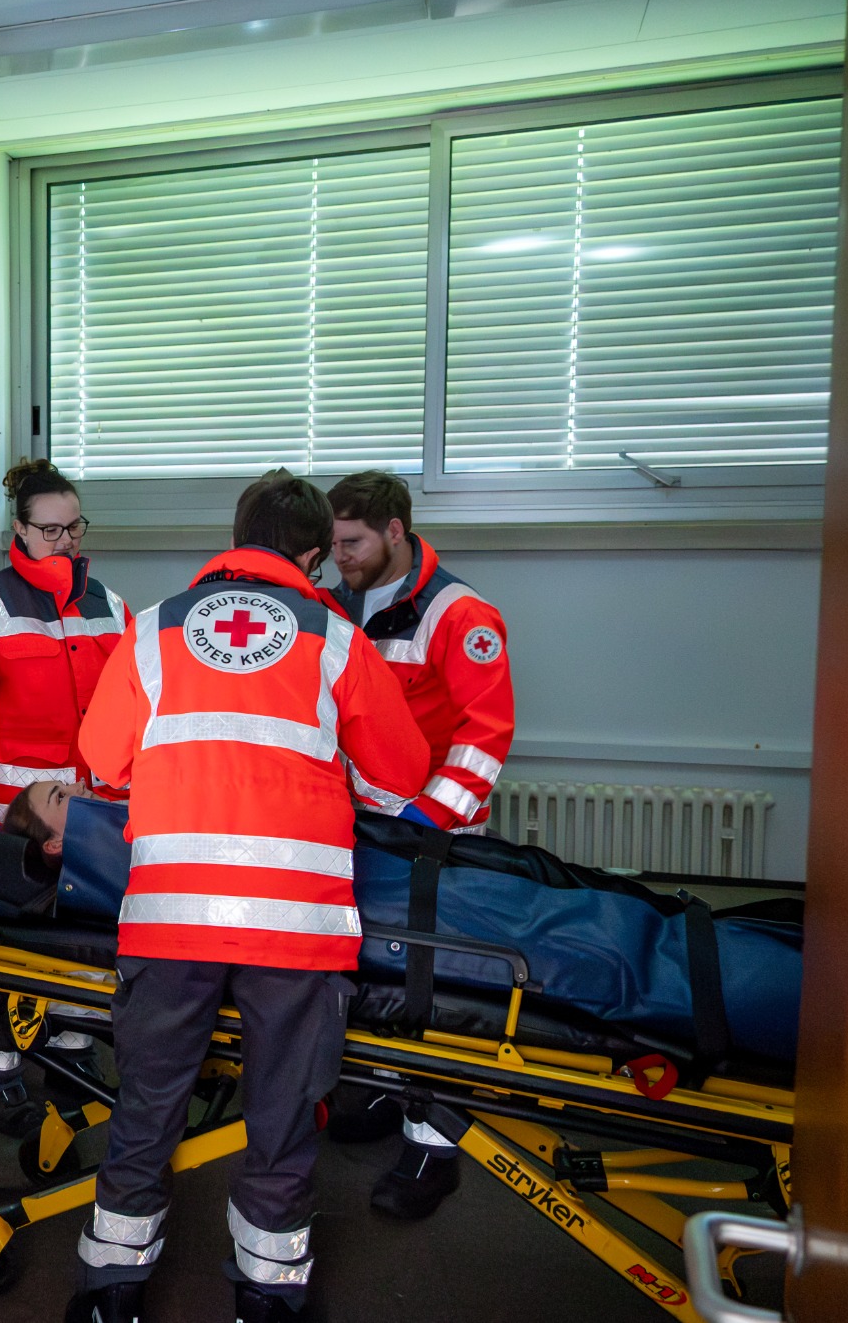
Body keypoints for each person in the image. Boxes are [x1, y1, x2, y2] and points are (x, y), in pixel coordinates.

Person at [65, 472, 429, 1323]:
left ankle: (112, 1286)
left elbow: (101, 762)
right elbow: (400, 777)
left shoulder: (152, 628)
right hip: (297, 930)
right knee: (283, 1113)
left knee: (146, 1101)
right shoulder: (337, 639)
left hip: (170, 919)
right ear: (313, 553)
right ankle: (269, 1291)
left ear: (234, 539)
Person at [324, 471, 517, 1218]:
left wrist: (428, 820)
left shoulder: (459, 614)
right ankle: (381, 1090)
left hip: (436, 838)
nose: (339, 556)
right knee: (371, 973)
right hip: (363, 831)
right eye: (333, 543)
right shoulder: (335, 605)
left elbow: (485, 735)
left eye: (352, 542)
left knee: (435, 991)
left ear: (396, 532)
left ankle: (432, 1146)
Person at [0, 459, 129, 1136]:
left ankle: (71, 1055)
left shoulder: (112, 606)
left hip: (88, 815)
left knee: (82, 944)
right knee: (3, 952)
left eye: (74, 527)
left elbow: (127, 716)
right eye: (50, 529)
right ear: (18, 529)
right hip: (10, 819)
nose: (65, 541)